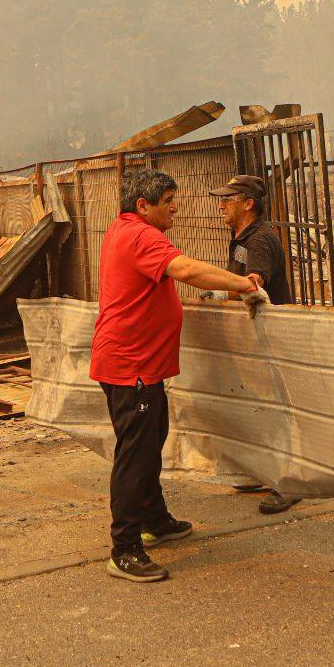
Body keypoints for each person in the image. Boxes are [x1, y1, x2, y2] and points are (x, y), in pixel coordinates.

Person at [91, 168, 267, 584]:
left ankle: (154, 518)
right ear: (143, 206)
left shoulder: (123, 228)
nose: (175, 208)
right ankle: (125, 548)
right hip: (131, 366)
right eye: (168, 201)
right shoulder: (141, 235)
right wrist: (244, 284)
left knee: (150, 442)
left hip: (137, 365)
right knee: (135, 455)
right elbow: (186, 270)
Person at [208, 174, 299, 515]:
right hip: (255, 335)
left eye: (227, 199)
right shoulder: (243, 236)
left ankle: (288, 482)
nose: (221, 205)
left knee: (276, 410)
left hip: (270, 337)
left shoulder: (260, 239)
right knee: (256, 406)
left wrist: (221, 291)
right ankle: (261, 472)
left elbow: (253, 282)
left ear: (248, 203)